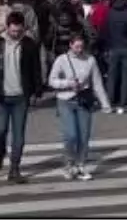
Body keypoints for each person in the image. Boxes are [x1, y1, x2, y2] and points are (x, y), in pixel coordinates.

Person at [0, 10, 42, 185]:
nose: (16, 34)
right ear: (7, 27)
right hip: (1, 96)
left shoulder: (29, 45)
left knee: (19, 135)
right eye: (13, 31)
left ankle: (15, 168)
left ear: (23, 28)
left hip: (21, 96)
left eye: (19, 31)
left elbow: (36, 69)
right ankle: (0, 153)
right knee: (0, 131)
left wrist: (37, 91)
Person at [48, 32, 111, 181]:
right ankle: (69, 164)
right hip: (65, 100)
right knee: (71, 135)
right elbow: (52, 81)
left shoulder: (90, 60)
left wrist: (105, 103)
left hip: (84, 100)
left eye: (81, 47)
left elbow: (97, 82)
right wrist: (68, 83)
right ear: (70, 45)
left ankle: (80, 165)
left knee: (84, 136)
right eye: (76, 47)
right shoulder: (62, 60)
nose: (79, 50)